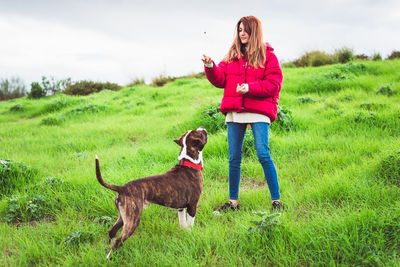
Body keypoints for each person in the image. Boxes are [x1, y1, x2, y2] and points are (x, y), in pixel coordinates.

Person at [201, 16, 284, 213]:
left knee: (263, 154)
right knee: (234, 158)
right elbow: (220, 79)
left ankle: (276, 201)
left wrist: (250, 88)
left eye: (246, 30)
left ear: (255, 32)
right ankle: (233, 203)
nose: (242, 33)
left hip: (259, 111)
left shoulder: (268, 56)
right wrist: (211, 66)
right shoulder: (232, 55)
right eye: (239, 30)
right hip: (235, 111)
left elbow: (274, 84)